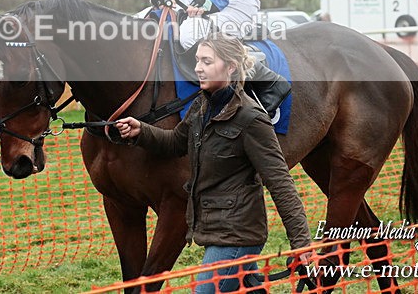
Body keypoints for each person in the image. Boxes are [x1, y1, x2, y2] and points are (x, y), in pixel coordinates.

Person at [116, 34, 313, 293]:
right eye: (198, 60)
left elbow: (280, 182)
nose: (198, 67)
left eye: (207, 61)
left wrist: (302, 243)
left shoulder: (250, 118)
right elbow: (176, 142)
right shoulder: (202, 105)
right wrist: (141, 131)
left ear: (230, 67)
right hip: (212, 229)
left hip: (236, 236)